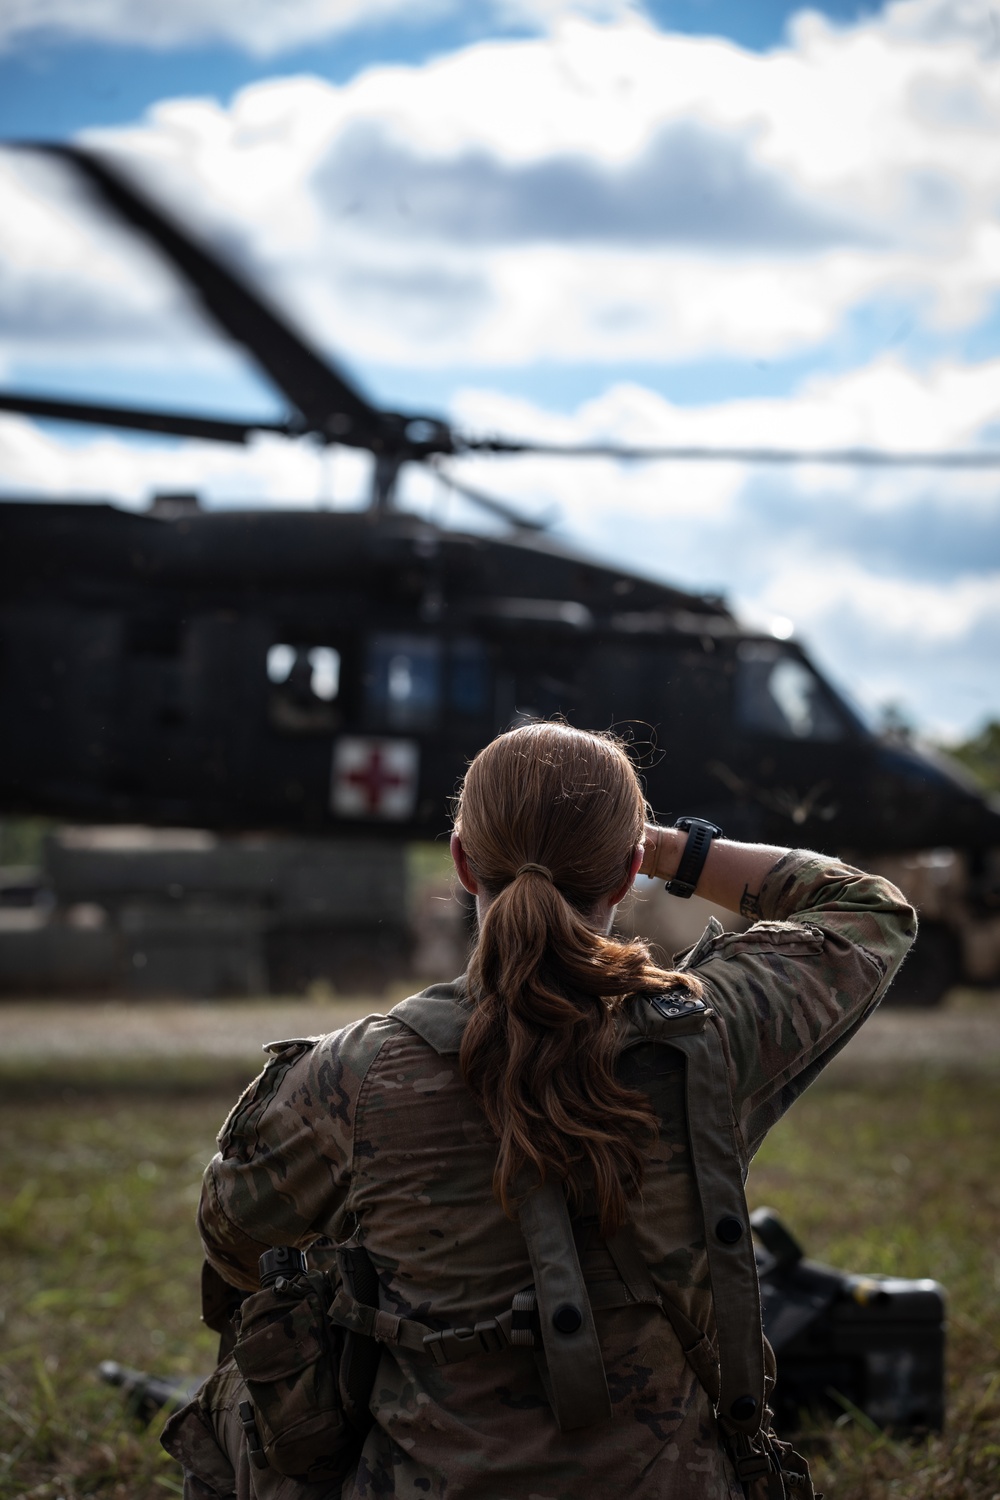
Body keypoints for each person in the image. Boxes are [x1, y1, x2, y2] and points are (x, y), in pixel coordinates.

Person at [163, 721, 916, 1500]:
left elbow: (236, 1244)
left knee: (232, 1406)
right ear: (626, 874)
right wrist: (667, 849)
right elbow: (868, 908)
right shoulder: (713, 1031)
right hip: (673, 1484)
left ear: (461, 863)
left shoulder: (351, 1074)